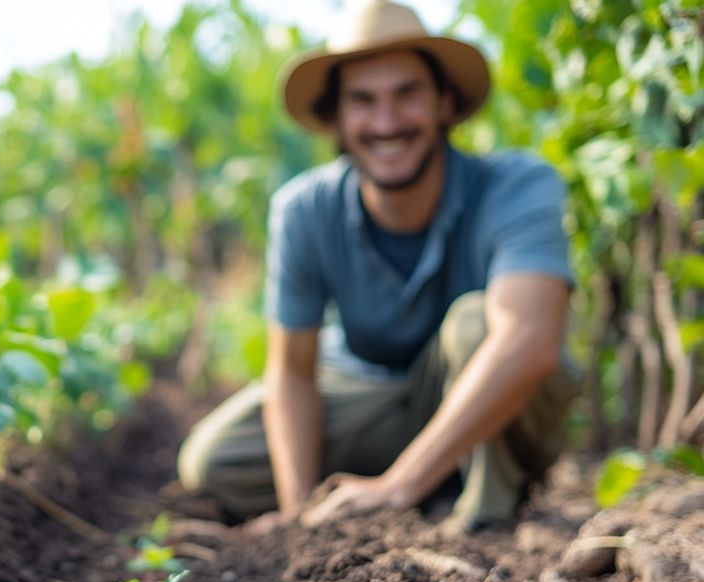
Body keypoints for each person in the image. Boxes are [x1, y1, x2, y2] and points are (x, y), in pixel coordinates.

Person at [177, 0, 579, 533]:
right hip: (379, 398)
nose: (386, 122)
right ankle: (426, 479)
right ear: (337, 120)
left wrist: (398, 485)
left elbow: (528, 342)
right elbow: (293, 370)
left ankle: (482, 514)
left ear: (445, 103)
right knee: (214, 459)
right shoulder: (305, 210)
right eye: (362, 101)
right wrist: (300, 517)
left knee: (479, 323)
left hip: (498, 411)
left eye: (406, 94)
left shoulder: (516, 186)